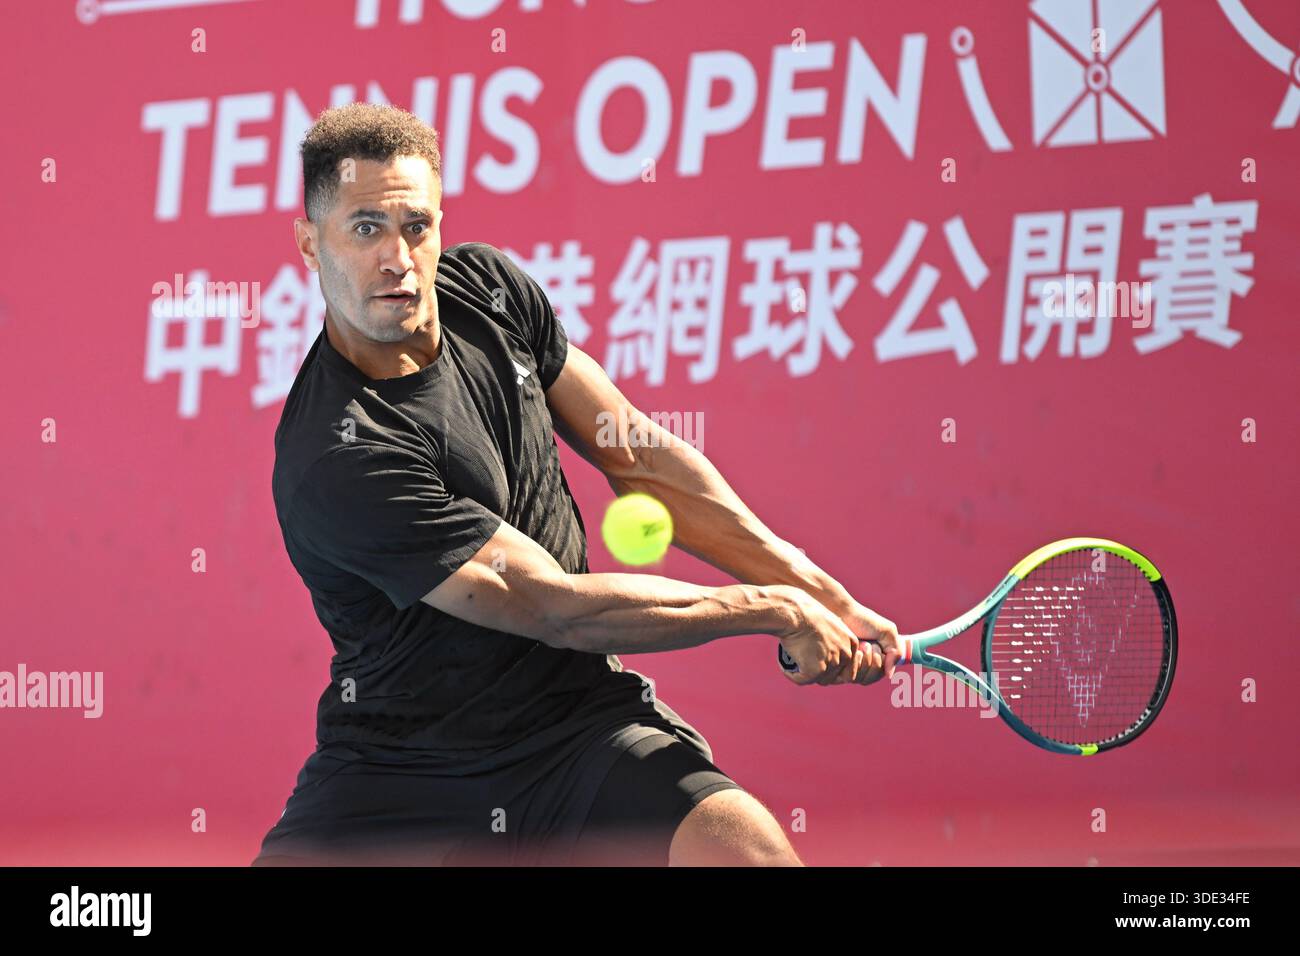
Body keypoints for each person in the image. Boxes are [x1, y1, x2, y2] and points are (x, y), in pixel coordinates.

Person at [252, 103, 900, 867]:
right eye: (365, 229)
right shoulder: (337, 453)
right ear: (308, 242)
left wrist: (820, 594)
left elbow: (641, 459)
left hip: (575, 725)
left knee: (744, 851)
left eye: (417, 226)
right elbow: (552, 608)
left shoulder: (489, 292)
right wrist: (769, 609)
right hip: (402, 770)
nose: (397, 257)